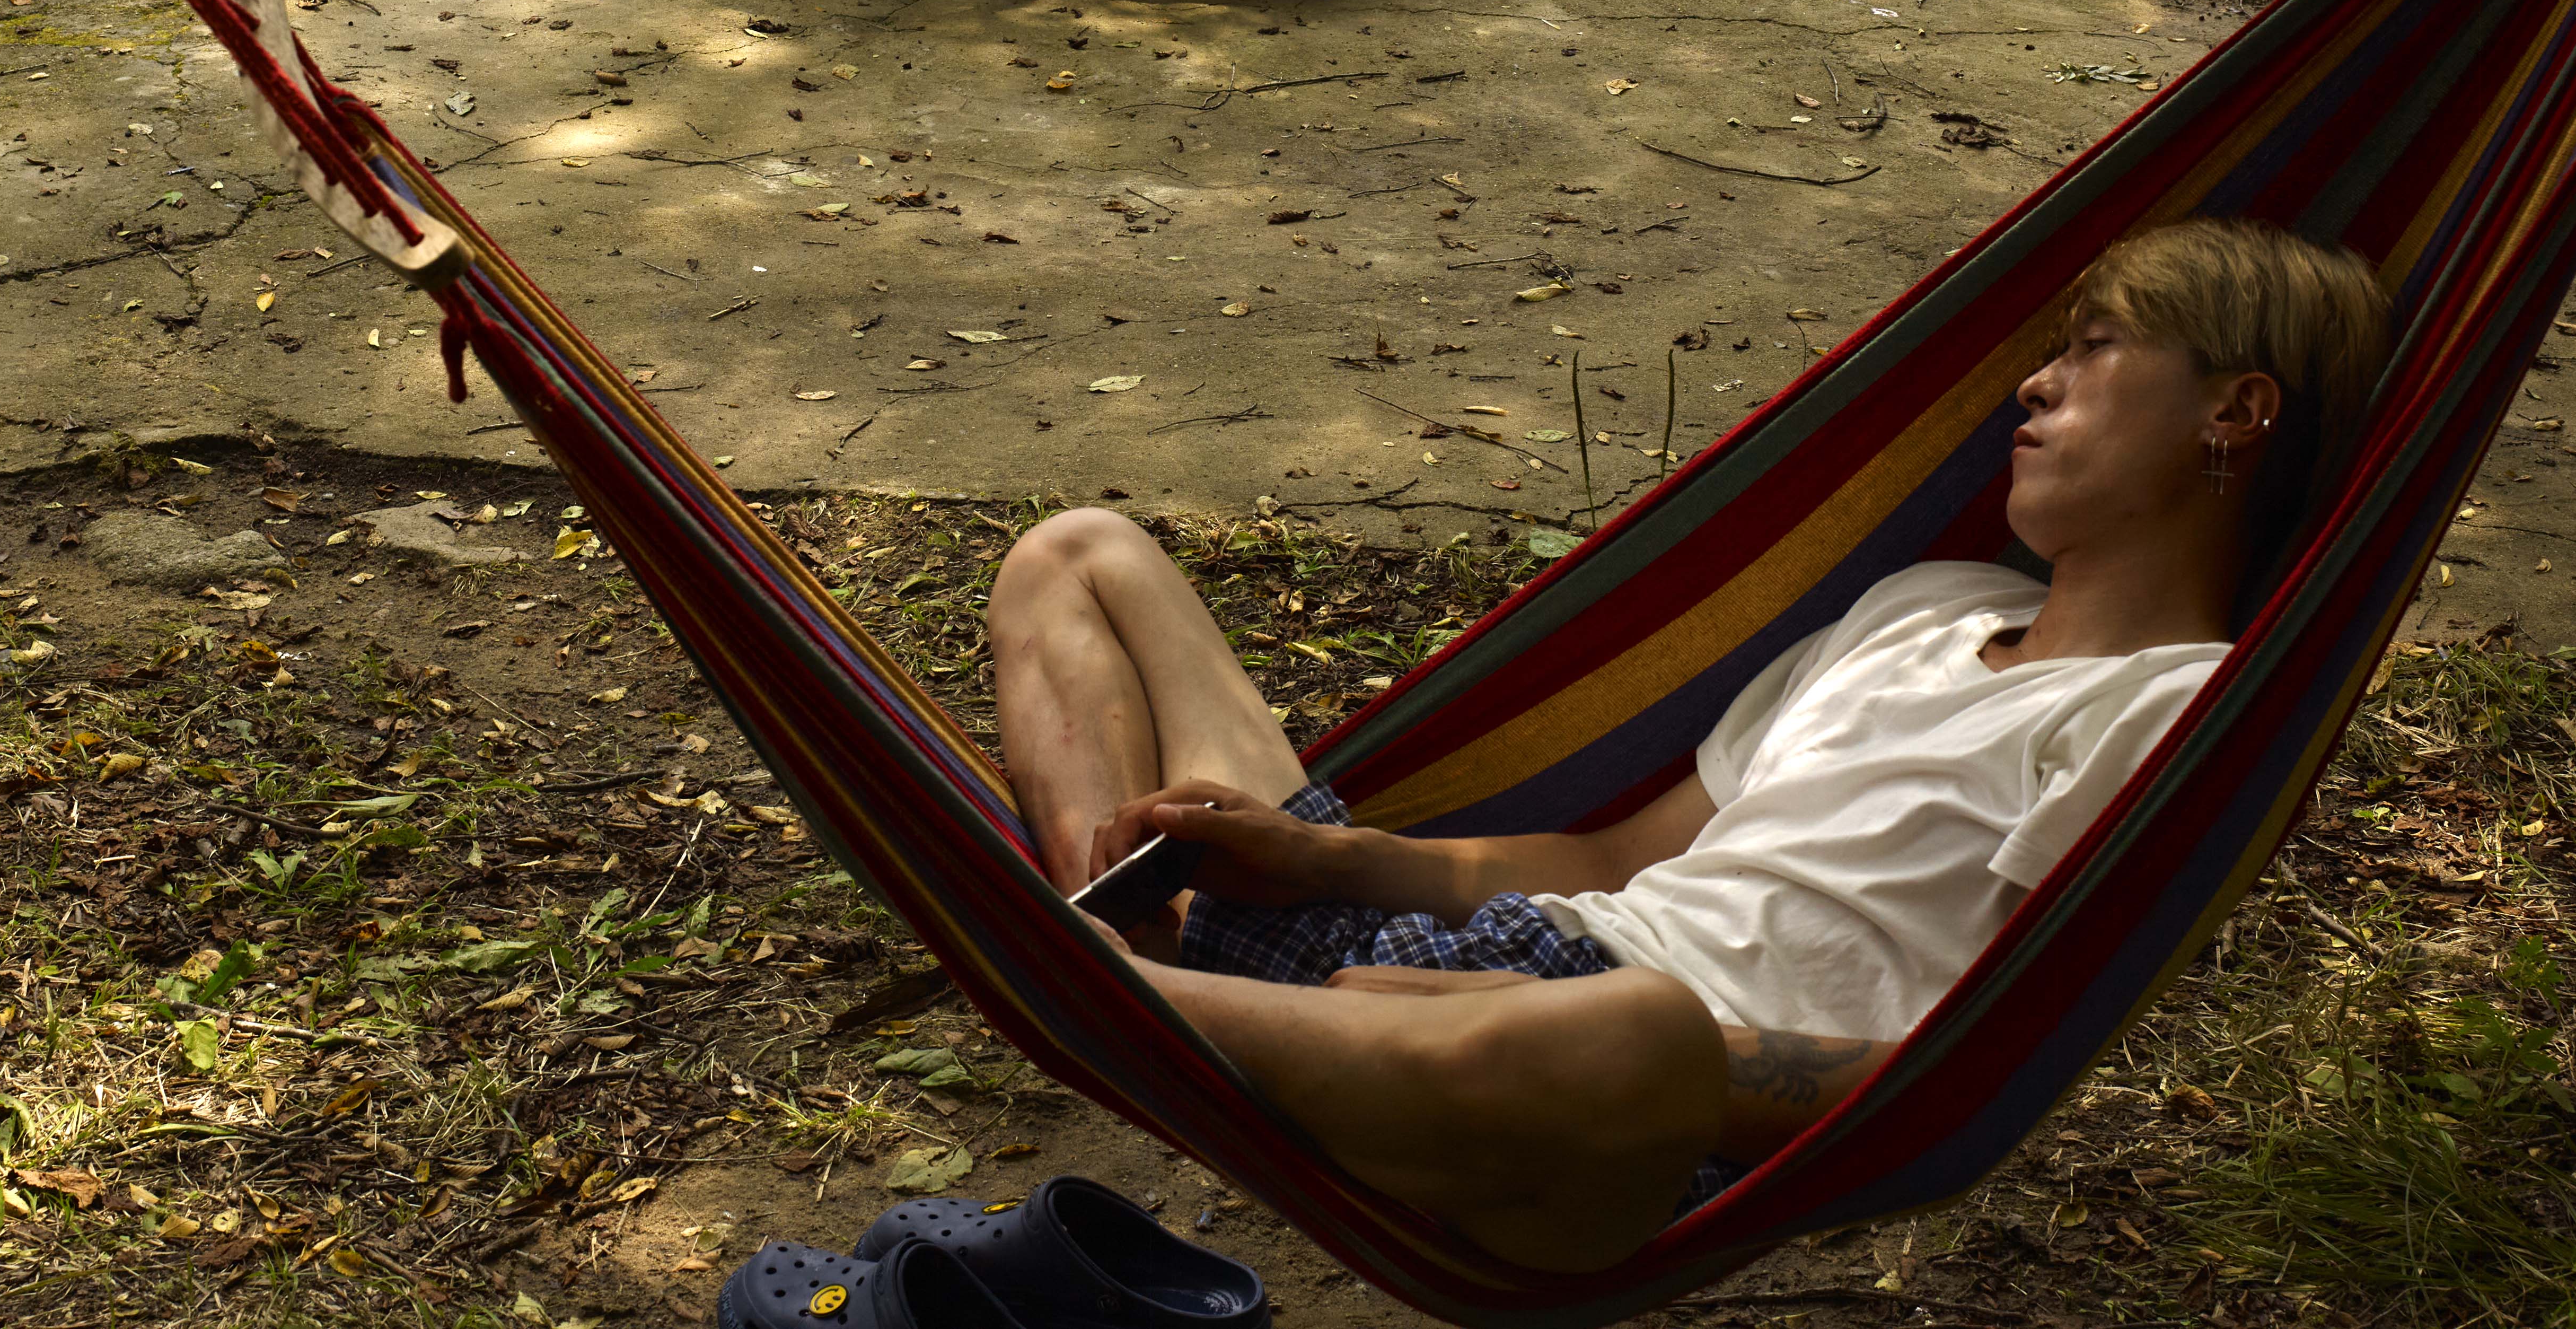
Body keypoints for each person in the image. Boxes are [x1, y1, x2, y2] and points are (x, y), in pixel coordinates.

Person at [987, 219, 2389, 1273]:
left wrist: (1646, 1038)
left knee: (1640, 1024)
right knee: (1083, 554)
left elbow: (1962, 1064)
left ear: (2236, 409)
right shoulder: (1921, 606)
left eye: (2093, 350)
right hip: (1438, 975)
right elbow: (1607, 854)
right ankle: (1147, 972)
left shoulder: (2174, 709)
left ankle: (1096, 986)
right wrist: (1322, 851)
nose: (2033, 382)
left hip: (1610, 1102)